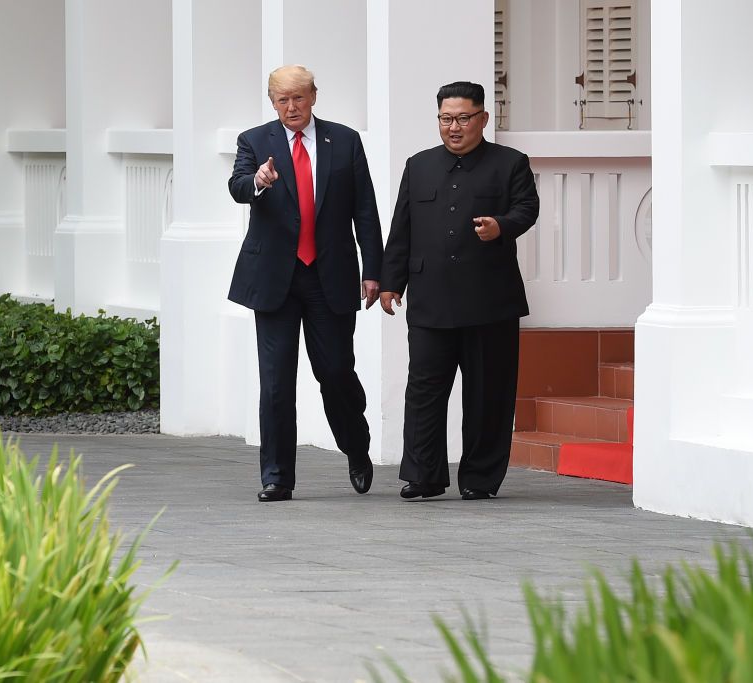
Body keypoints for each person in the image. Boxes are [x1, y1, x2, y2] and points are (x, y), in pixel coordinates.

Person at [228, 64, 384, 502]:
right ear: (272, 101)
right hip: (275, 277)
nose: (291, 107)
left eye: (299, 97)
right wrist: (258, 181)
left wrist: (374, 269)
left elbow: (366, 209)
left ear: (314, 95)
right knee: (276, 381)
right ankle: (277, 476)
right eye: (282, 99)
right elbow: (238, 185)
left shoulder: (345, 140)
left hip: (328, 275)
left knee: (335, 372)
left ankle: (356, 446)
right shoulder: (255, 141)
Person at [380, 81, 539, 501]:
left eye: (463, 118)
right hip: (431, 299)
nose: (454, 127)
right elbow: (401, 229)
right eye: (446, 119)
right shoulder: (418, 166)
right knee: (424, 391)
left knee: (488, 394)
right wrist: (391, 282)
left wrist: (500, 226)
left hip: (490, 301)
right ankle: (423, 475)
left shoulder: (510, 164)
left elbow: (527, 208)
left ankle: (480, 479)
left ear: (483, 119)